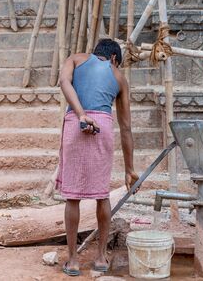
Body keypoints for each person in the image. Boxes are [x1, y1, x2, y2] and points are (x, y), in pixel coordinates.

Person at [56, 39, 138, 276]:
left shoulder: (75, 59)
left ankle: (72, 261)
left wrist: (81, 114)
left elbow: (64, 82)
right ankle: (101, 258)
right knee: (102, 195)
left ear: (95, 52)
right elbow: (126, 128)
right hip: (102, 124)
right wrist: (129, 169)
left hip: (75, 122)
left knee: (72, 196)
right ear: (114, 58)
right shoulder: (118, 77)